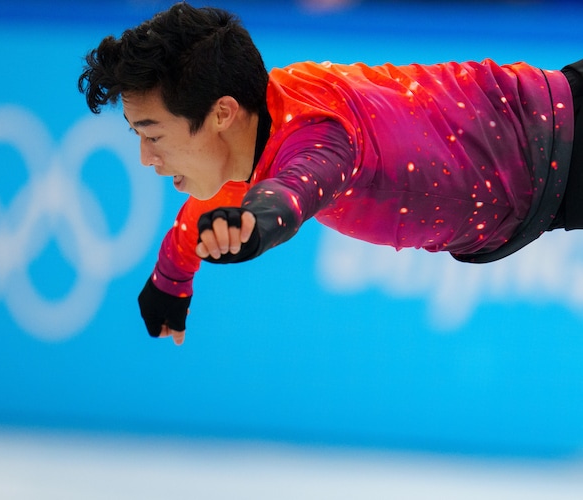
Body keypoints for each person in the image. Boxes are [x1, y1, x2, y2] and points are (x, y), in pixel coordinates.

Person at [79, 2, 582, 345]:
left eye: (153, 134)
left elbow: (294, 193)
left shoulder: (319, 135)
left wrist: (254, 228)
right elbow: (215, 204)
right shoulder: (270, 111)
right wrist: (171, 277)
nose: (145, 158)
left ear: (222, 113)